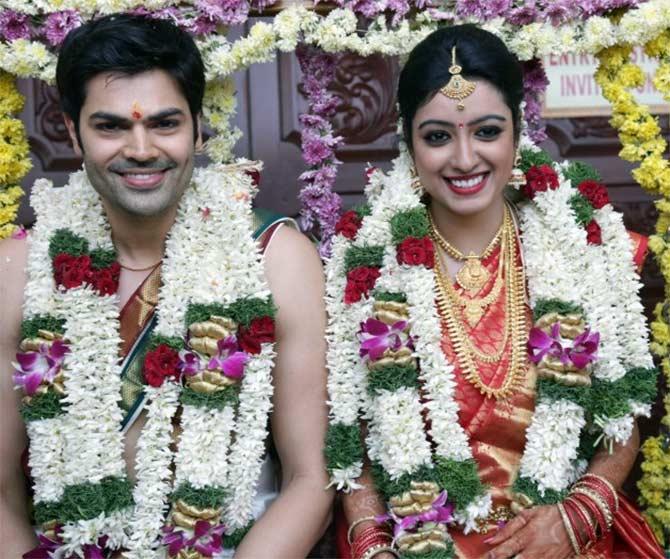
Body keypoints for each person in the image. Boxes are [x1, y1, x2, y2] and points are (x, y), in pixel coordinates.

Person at [325, 24, 665, 559]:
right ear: (408, 142)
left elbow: (620, 420)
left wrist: (574, 520)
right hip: (420, 541)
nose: (464, 159)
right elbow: (351, 436)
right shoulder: (367, 268)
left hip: (562, 538)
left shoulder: (583, 246)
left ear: (517, 130)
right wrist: (373, 546)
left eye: (486, 131)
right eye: (437, 136)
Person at [0, 14, 332, 558]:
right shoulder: (20, 269)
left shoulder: (273, 258)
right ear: (70, 129)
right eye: (111, 127)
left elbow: (309, 478)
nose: (141, 149)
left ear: (198, 127)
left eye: (164, 123)